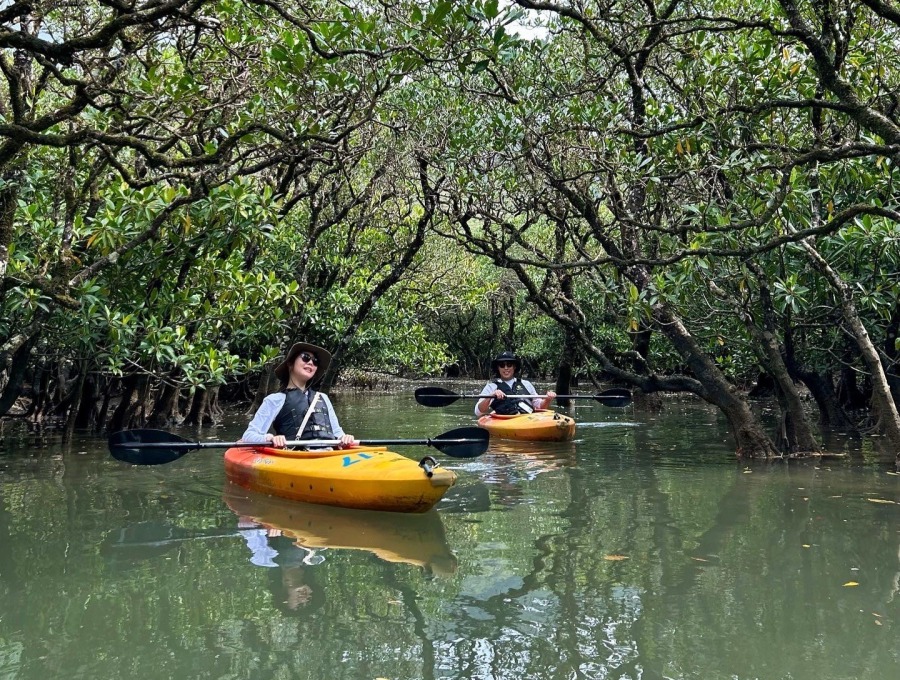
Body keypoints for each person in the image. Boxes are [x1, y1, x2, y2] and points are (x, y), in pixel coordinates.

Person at [241, 342, 356, 448]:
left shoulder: (323, 398)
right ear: (290, 364)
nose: (311, 362)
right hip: (296, 456)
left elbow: (338, 434)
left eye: (315, 361)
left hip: (328, 455)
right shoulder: (275, 400)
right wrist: (270, 438)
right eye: (306, 358)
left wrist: (344, 438)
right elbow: (248, 436)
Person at [475, 351, 556, 417]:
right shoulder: (491, 387)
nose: (506, 368)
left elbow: (540, 406)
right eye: (502, 365)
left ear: (514, 367)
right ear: (498, 368)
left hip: (528, 418)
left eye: (509, 365)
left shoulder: (526, 384)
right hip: (506, 421)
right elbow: (478, 411)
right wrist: (491, 395)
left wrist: (547, 399)